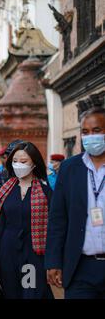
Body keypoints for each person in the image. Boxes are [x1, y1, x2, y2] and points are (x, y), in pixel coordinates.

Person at [0, 141, 54, 299]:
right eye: (15, 161)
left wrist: (52, 261)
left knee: (30, 292)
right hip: (7, 252)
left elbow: (53, 228)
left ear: (35, 164)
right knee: (12, 294)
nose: (18, 165)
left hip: (33, 254)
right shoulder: (5, 190)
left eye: (23, 162)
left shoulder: (45, 192)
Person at [46, 107, 105, 299]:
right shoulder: (70, 168)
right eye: (85, 132)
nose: (90, 137)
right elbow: (57, 219)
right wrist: (54, 261)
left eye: (97, 131)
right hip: (80, 267)